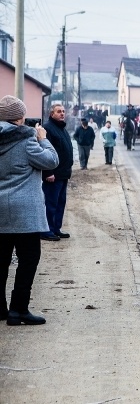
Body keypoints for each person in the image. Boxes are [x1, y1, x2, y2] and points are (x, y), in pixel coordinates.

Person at [0, 96, 59, 325]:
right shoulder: (27, 140)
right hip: (24, 213)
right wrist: (43, 139)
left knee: (1, 261)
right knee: (28, 260)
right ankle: (18, 310)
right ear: (19, 116)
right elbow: (51, 161)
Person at [41, 103, 73, 241]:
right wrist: (48, 172)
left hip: (63, 174)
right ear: (51, 114)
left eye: (63, 111)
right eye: (58, 111)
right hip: (53, 175)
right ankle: (46, 230)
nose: (62, 113)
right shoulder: (48, 128)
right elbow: (45, 152)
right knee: (51, 203)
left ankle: (56, 229)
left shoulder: (62, 129)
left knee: (60, 203)